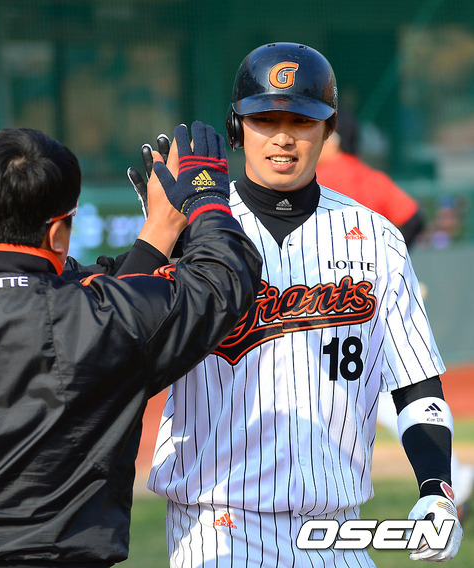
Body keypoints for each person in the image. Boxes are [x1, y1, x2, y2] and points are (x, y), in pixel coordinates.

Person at [147, 42, 464, 567]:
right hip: (216, 527)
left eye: (301, 120)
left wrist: (436, 487)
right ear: (236, 128)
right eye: (264, 119)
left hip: (336, 529)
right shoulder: (190, 233)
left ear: (328, 128)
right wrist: (157, 241)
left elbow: (417, 385)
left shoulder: (377, 239)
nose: (283, 137)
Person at [0, 123, 262, 566]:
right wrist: (206, 200)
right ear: (57, 234)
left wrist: (159, 232)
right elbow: (223, 278)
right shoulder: (94, 318)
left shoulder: (89, 312)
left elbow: (87, 297)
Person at [317, 110, 474, 519]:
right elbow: (414, 217)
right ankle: (452, 475)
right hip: (373, 295)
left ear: (334, 138)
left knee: (373, 389)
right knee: (389, 386)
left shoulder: (322, 177)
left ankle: (452, 476)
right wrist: (390, 263)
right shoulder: (369, 177)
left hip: (334, 306)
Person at [316, 109, 425, 248]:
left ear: (333, 140)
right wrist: (391, 253)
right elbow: (414, 221)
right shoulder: (375, 179)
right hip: (368, 259)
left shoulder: (313, 180)